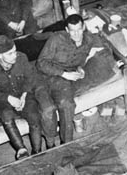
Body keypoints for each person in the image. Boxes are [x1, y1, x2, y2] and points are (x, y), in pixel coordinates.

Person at [36, 14, 107, 144]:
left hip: (65, 79)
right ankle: (58, 143)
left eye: (79, 29)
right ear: (67, 30)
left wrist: (80, 68)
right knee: (56, 107)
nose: (76, 34)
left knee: (66, 104)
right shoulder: (57, 38)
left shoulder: (89, 40)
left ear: (84, 27)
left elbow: (84, 58)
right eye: (72, 31)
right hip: (48, 75)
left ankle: (66, 144)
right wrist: (63, 73)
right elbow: (41, 63)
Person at [0, 36, 55, 159]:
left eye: (15, 51)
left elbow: (29, 78)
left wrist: (24, 95)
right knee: (6, 115)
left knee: (34, 117)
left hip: (22, 95)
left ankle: (37, 152)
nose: (15, 55)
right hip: (2, 100)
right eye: (10, 54)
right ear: (0, 56)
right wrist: (8, 98)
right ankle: (21, 150)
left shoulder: (22, 58)